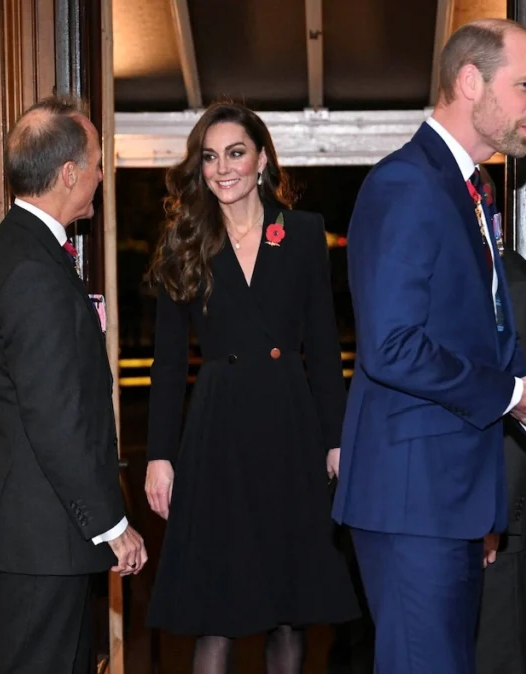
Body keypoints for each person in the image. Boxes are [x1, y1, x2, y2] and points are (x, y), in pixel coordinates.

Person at [332, 19, 526, 674]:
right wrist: (510, 394)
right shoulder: (408, 184)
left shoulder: (466, 185)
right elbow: (391, 345)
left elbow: (471, 330)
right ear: (469, 81)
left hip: (448, 496)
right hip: (412, 495)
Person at [144, 102, 360, 674]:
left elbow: (321, 345)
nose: (223, 168)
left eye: (235, 153)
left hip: (289, 426)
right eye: (210, 157)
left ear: (261, 158)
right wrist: (160, 456)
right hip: (217, 432)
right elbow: (168, 364)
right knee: (217, 611)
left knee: (287, 612)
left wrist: (335, 439)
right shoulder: (182, 240)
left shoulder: (304, 231)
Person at [0, 96, 147, 674]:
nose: (101, 172)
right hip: (43, 529)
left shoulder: (25, 248)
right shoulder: (32, 270)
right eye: (97, 161)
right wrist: (114, 526)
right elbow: (56, 418)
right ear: (69, 173)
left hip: (45, 527)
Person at [475, 243, 526, 674]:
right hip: (477, 516)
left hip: (505, 523)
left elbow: (525, 419)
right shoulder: (473, 276)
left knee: (497, 659)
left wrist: (493, 520)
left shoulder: (514, 286)